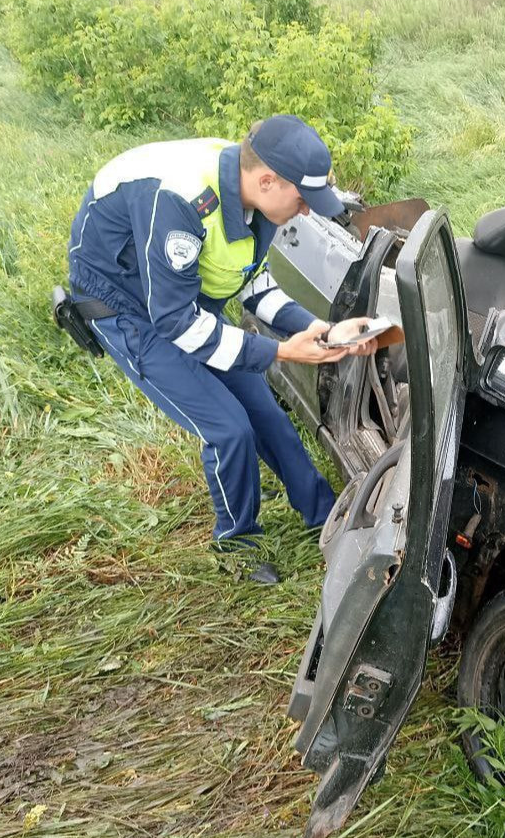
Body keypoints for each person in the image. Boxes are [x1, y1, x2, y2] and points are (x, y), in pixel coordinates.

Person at [65, 115, 376, 583]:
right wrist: (280, 353)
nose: (307, 212)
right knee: (228, 428)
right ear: (268, 180)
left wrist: (322, 329)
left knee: (265, 411)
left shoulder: (259, 202)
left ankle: (325, 513)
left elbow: (254, 284)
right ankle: (237, 544)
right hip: (123, 304)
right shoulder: (182, 201)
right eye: (303, 200)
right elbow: (174, 321)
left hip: (176, 294)